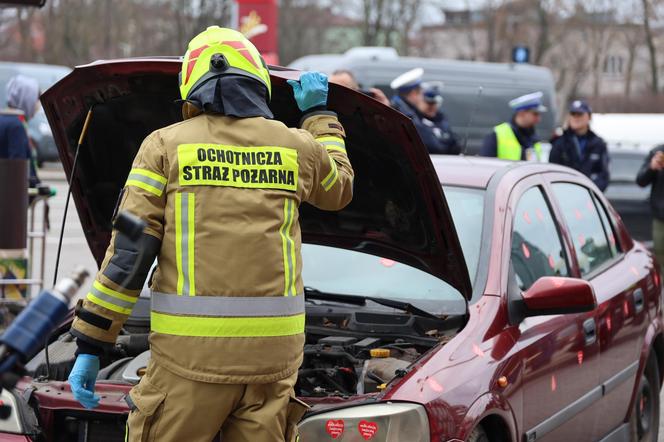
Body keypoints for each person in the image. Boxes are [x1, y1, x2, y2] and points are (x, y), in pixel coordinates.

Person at [66, 26, 354, 442]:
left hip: (190, 360)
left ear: (192, 85)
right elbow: (339, 190)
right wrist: (319, 117)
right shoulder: (297, 147)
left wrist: (92, 342)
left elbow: (130, 251)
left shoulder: (163, 146)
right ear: (257, 80)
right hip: (272, 362)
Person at [390, 68, 457, 154]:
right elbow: (432, 145)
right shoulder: (405, 113)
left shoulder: (408, 111)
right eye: (421, 93)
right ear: (414, 93)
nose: (422, 97)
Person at [549, 100, 609, 191]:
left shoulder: (598, 144)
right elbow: (551, 172)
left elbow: (603, 175)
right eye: (573, 114)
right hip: (563, 194)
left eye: (580, 114)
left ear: (589, 117)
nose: (576, 118)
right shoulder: (560, 143)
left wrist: (592, 191)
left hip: (590, 196)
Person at [480, 91, 546, 161]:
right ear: (522, 113)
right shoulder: (497, 135)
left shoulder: (534, 138)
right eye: (535, 114)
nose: (539, 119)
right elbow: (486, 164)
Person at [1, 75, 40, 186]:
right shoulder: (16, 125)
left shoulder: (5, 119)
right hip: (13, 197)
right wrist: (35, 184)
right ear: (26, 99)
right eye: (36, 100)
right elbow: (18, 166)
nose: (37, 106)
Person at [637, 145, 664, 269]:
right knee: (660, 256)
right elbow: (641, 181)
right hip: (661, 217)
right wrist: (651, 168)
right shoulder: (658, 152)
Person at [418, 86, 460, 155]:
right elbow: (434, 147)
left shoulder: (441, 120)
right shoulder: (417, 121)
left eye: (435, 104)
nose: (432, 107)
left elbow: (455, 144)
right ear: (420, 101)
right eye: (429, 104)